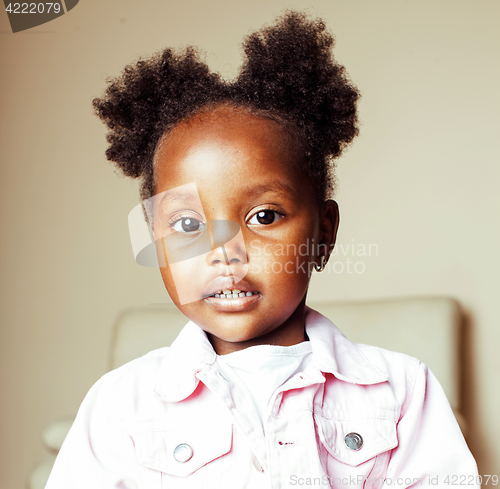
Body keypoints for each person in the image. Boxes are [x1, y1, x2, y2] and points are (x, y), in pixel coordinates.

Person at [45, 11, 479, 489]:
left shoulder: (402, 392)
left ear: (324, 234)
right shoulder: (120, 405)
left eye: (264, 217)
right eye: (188, 224)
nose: (224, 252)